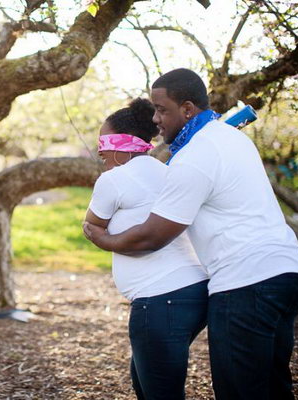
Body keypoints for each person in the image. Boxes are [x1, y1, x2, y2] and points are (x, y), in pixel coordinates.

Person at [83, 68, 298, 400]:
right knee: (273, 387)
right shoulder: (230, 138)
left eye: (162, 110)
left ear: (187, 109)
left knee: (240, 391)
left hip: (244, 281)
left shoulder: (195, 157)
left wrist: (101, 238)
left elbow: (152, 235)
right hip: (285, 271)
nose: (155, 119)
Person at [85, 98, 208, 400]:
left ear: (120, 145)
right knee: (142, 380)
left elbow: (90, 226)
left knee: (158, 392)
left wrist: (105, 234)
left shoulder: (112, 180)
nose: (100, 150)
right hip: (195, 293)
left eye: (103, 142)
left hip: (160, 300)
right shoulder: (168, 172)